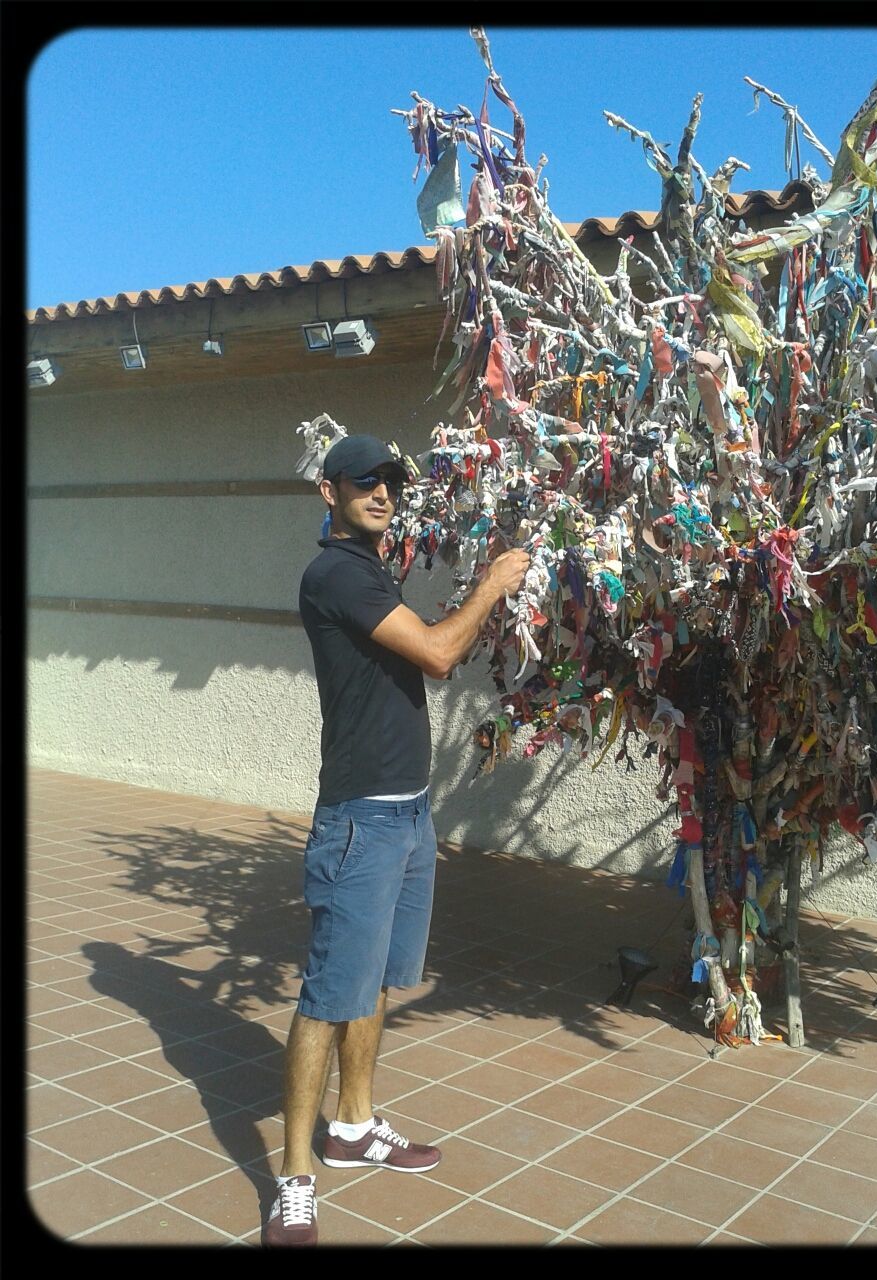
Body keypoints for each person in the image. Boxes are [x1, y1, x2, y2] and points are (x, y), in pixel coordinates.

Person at [263, 434, 529, 1247]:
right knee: (328, 994)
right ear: (330, 492)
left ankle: (355, 1125)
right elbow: (442, 654)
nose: (382, 492)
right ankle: (296, 1177)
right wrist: (491, 584)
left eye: (391, 482)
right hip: (361, 822)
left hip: (408, 814)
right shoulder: (336, 572)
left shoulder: (372, 567)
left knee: (375, 979)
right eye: (365, 482)